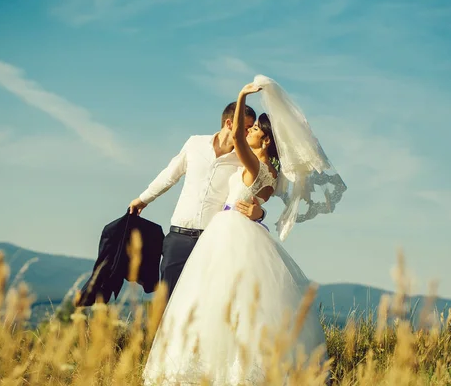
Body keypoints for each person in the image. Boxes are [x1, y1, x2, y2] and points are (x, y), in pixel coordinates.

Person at [142, 76, 345, 385]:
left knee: (212, 299)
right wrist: (259, 210)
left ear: (265, 141)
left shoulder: (253, 165)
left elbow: (235, 135)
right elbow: (258, 201)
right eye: (250, 128)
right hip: (246, 232)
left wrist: (241, 96)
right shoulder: (273, 173)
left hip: (228, 233)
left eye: (255, 129)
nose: (248, 131)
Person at [128, 102, 266, 298]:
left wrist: (260, 214)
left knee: (203, 302)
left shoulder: (245, 160)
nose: (247, 135)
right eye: (244, 129)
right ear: (229, 123)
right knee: (167, 300)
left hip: (212, 242)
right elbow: (170, 175)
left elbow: (253, 195)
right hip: (178, 237)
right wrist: (143, 199)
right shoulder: (195, 143)